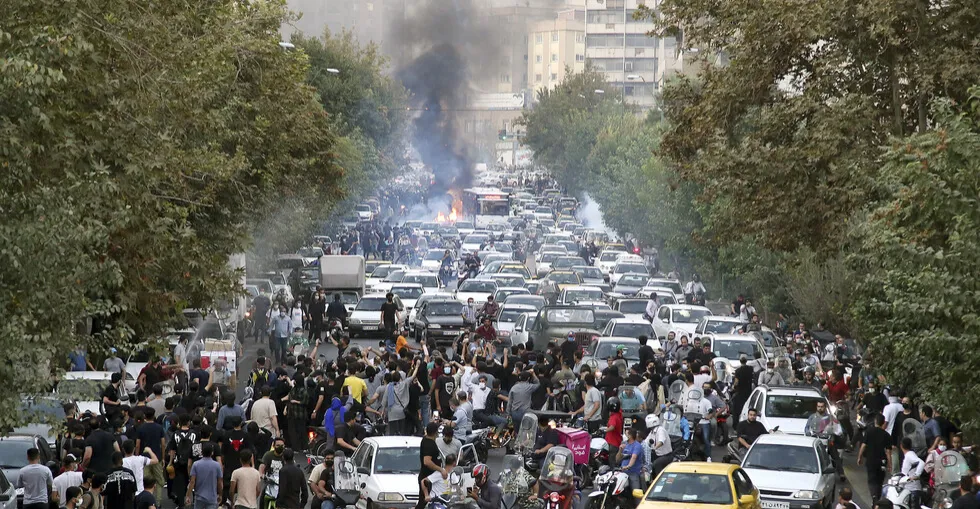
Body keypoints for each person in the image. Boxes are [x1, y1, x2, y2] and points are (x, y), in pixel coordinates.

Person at [858, 414, 893, 504]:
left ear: (875, 421)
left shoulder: (869, 432)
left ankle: (874, 496)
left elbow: (863, 445)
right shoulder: (886, 435)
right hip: (882, 461)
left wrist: (859, 457)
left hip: (871, 460)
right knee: (879, 481)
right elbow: (888, 452)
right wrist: (890, 464)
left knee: (872, 479)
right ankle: (877, 498)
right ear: (883, 423)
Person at [417, 423, 448, 509]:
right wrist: (440, 470)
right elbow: (427, 461)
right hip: (428, 478)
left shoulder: (426, 439)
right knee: (423, 503)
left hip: (432, 478)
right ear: (435, 432)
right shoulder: (429, 444)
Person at [617, 429, 644, 504]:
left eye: (627, 434)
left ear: (631, 435)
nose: (625, 436)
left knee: (636, 494)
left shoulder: (637, 446)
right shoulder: (624, 444)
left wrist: (628, 466)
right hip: (622, 472)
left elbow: (634, 457)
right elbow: (617, 459)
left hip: (633, 472)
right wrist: (620, 450)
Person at [899, 437, 924, 509]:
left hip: (913, 489)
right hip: (908, 489)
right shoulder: (908, 455)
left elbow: (921, 462)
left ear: (901, 445)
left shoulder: (910, 455)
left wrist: (916, 475)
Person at [605, 397, 624, 466]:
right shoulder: (619, 413)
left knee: (612, 461)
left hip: (613, 442)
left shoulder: (614, 417)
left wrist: (604, 430)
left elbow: (612, 427)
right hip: (617, 440)